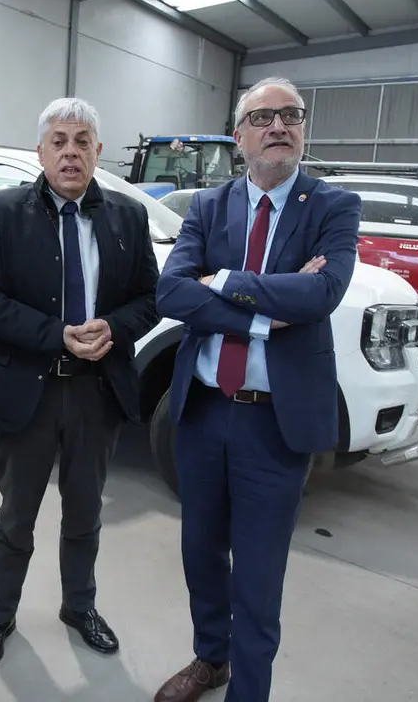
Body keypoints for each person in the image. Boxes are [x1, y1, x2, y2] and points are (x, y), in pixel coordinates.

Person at [152, 77, 361, 702]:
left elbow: (323, 294)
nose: (278, 126)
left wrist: (221, 281)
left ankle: (250, 690)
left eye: (290, 116)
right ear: (239, 135)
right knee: (201, 553)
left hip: (275, 424)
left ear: (303, 129)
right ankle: (209, 658)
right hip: (204, 412)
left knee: (260, 575)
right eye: (262, 117)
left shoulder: (332, 206)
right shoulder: (210, 207)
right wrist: (269, 311)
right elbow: (170, 292)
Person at [0, 97, 160, 670]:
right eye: (59, 142)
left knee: (85, 513)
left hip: (97, 392)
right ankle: (0, 615)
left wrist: (114, 329)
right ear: (40, 151)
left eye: (82, 142)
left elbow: (149, 298)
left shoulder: (127, 216)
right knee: (17, 515)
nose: (70, 152)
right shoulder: (4, 212)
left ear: (98, 151)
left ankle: (79, 607)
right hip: (30, 389)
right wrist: (55, 334)